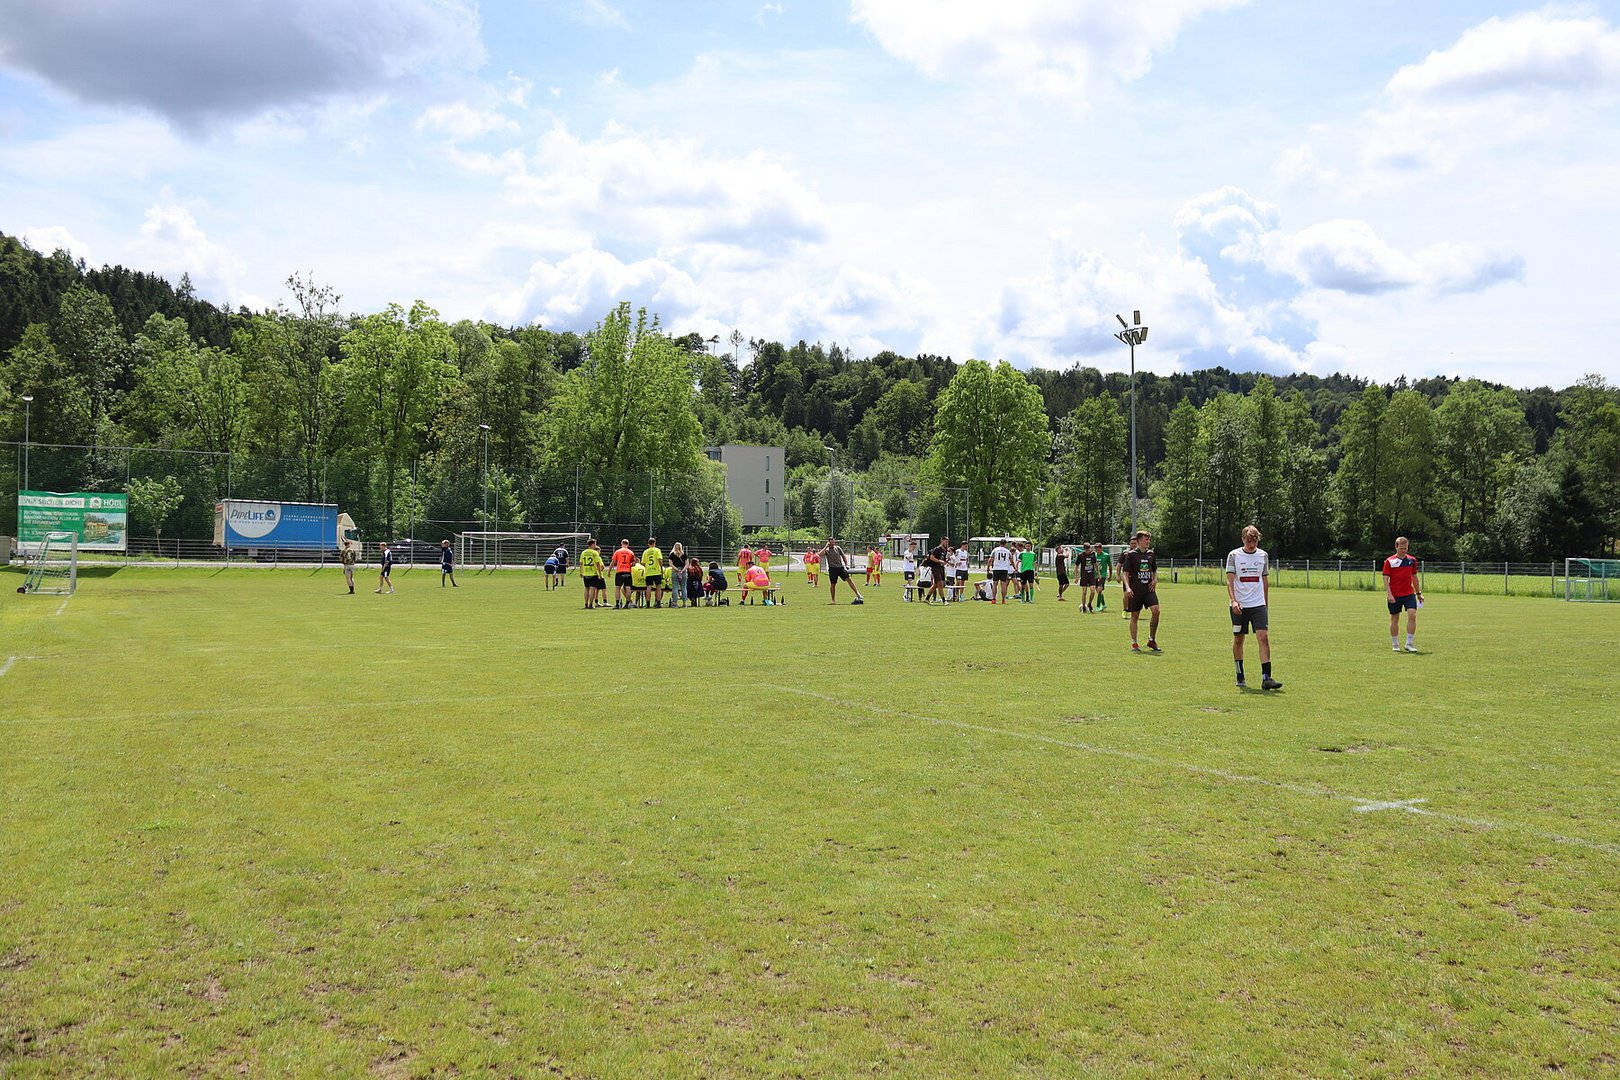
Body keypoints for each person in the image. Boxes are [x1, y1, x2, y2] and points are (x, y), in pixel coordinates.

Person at [1227, 525, 1281, 690]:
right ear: (1243, 539)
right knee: (1239, 639)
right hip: (1240, 605)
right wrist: (1233, 601)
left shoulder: (1263, 555)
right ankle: (1240, 674)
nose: (1251, 544)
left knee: (1263, 637)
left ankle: (1266, 678)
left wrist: (1265, 604)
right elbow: (1229, 580)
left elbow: (1264, 581)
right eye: (1249, 541)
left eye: (1255, 541)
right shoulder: (1234, 555)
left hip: (1258, 604)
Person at [1121, 530, 1161, 651]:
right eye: (1146, 539)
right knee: (1135, 616)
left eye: (1149, 539)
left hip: (1148, 590)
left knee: (1156, 611)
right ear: (1139, 541)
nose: (1148, 542)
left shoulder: (1151, 554)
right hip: (1136, 590)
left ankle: (1151, 640)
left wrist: (1155, 579)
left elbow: (1154, 570)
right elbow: (1125, 573)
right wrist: (1128, 588)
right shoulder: (1131, 555)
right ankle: (1134, 643)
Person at [1382, 536, 1423, 653]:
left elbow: (1414, 577)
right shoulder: (1389, 561)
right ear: (1396, 547)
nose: (1404, 551)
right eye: (1401, 548)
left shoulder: (1412, 561)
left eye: (1405, 548)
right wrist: (1389, 594)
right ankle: (1395, 644)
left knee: (1412, 615)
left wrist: (1418, 593)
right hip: (1394, 595)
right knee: (1395, 618)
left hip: (1409, 594)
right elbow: (1385, 579)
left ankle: (1409, 644)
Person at [816, 537, 864, 604]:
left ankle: (858, 594)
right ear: (828, 542)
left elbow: (843, 556)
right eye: (831, 542)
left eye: (833, 542)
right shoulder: (826, 550)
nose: (832, 544)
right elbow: (820, 554)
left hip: (840, 567)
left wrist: (846, 564)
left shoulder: (838, 548)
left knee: (849, 579)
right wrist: (826, 546)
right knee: (833, 584)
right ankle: (833, 600)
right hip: (832, 569)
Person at [578, 538, 606, 609]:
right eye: (595, 544)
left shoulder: (583, 552)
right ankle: (590, 604)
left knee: (586, 589)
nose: (595, 545)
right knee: (592, 589)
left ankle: (586, 604)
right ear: (592, 544)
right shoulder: (594, 553)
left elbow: (581, 563)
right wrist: (600, 574)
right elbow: (598, 564)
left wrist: (581, 572)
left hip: (585, 573)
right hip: (593, 573)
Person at [610, 539, 638, 609]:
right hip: (627, 571)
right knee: (628, 588)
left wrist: (609, 571)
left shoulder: (617, 552)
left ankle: (617, 604)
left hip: (620, 571)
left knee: (617, 588)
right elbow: (634, 563)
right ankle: (627, 604)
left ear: (621, 544)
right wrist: (629, 565)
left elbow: (613, 562)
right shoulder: (631, 552)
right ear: (628, 544)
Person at [925, 537, 951, 604]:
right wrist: (939, 561)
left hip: (941, 568)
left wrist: (947, 560)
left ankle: (927, 598)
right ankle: (944, 600)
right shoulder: (937, 549)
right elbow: (932, 557)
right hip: (935, 568)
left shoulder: (945, 550)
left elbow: (943, 560)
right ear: (942, 541)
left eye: (947, 542)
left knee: (935, 585)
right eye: (946, 542)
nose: (946, 543)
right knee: (940, 584)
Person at [988, 539, 1014, 604]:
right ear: (1005, 544)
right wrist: (1014, 567)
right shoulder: (1007, 551)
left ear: (1000, 543)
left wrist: (988, 568)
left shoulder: (995, 550)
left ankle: (994, 599)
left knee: (995, 584)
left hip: (996, 569)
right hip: (1004, 569)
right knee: (1003, 585)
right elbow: (1011, 560)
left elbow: (990, 559)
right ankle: (1003, 600)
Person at [642, 537, 665, 608]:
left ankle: (648, 604)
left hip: (648, 572)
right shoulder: (657, 550)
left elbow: (643, 563)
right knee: (658, 587)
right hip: (656, 571)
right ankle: (658, 603)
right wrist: (661, 568)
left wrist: (647, 567)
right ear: (655, 543)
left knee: (648, 587)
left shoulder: (645, 552)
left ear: (648, 544)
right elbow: (660, 560)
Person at [1077, 542, 1099, 613]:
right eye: (1086, 549)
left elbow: (1095, 563)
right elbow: (1077, 566)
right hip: (1084, 575)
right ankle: (1083, 606)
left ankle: (1089, 603)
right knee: (1084, 592)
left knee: (1093, 591)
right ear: (1084, 549)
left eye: (1088, 549)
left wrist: (1098, 573)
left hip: (1091, 575)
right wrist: (1076, 577)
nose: (1087, 551)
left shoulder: (1093, 554)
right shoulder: (1081, 555)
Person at [1093, 541, 1111, 612]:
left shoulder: (1106, 555)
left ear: (1101, 548)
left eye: (1098, 549)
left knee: (1099, 590)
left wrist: (1110, 575)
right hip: (1095, 575)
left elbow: (1110, 565)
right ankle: (1103, 605)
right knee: (1098, 591)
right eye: (1096, 549)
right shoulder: (1094, 555)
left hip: (1103, 575)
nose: (1097, 551)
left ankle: (1098, 607)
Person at [667, 542, 688, 607]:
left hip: (675, 571)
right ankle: (684, 603)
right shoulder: (684, 555)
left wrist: (677, 570)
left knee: (675, 587)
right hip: (683, 571)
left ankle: (675, 603)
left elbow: (670, 564)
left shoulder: (672, 555)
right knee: (683, 587)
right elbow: (687, 564)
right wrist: (682, 571)